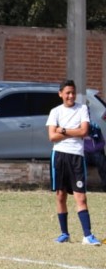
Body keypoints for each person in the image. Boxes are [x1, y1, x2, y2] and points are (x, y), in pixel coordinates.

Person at [46, 79, 101, 245]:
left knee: (80, 197)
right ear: (60, 94)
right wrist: (73, 131)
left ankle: (88, 235)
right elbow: (52, 136)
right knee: (60, 195)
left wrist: (62, 129)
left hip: (76, 156)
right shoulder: (55, 112)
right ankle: (64, 233)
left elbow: (84, 131)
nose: (71, 96)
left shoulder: (82, 109)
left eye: (73, 93)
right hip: (59, 156)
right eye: (67, 93)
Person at [84, 114, 106, 192]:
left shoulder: (95, 127)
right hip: (84, 153)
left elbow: (102, 142)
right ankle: (82, 187)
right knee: (81, 163)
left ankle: (105, 186)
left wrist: (94, 148)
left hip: (95, 153)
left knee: (101, 160)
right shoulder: (77, 128)